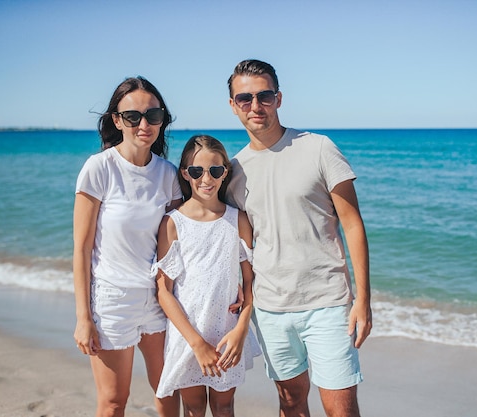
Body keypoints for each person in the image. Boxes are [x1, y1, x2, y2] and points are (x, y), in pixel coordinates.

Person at [225, 59, 373, 417]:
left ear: (279, 98)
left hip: (328, 303)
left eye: (264, 96)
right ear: (233, 106)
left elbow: (352, 224)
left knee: (341, 409)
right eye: (244, 99)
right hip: (271, 307)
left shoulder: (319, 147)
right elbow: (237, 244)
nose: (255, 106)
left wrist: (363, 300)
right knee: (290, 405)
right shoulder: (234, 171)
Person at [73, 76, 183, 417]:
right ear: (117, 121)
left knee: (167, 390)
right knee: (113, 402)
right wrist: (83, 318)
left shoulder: (168, 174)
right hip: (112, 301)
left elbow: (181, 243)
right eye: (132, 116)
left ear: (162, 119)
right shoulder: (99, 168)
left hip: (158, 298)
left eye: (153, 115)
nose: (144, 124)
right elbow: (81, 249)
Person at [153, 135, 260, 417]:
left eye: (215, 170)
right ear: (186, 173)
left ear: (225, 172)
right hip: (188, 334)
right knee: (193, 407)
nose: (206, 179)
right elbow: (163, 291)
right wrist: (197, 343)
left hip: (227, 332)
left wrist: (241, 330)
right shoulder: (172, 223)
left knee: (224, 407)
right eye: (197, 171)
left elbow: (250, 282)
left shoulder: (238, 220)